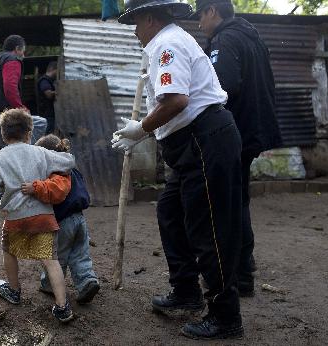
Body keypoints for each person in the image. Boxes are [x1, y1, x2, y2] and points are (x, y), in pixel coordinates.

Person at [113, 0, 244, 340]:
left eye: (137, 25)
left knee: (209, 228)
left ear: (151, 19)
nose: (135, 33)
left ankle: (225, 315)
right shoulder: (168, 41)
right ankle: (186, 290)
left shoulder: (166, 44)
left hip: (203, 139)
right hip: (194, 143)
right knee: (171, 211)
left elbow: (176, 100)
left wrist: (139, 129)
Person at [193, 0, 283, 297]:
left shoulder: (225, 38)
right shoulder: (251, 35)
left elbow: (222, 87)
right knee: (239, 198)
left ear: (212, 11)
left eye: (201, 16)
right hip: (255, 128)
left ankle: (240, 273)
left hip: (236, 130)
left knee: (229, 203)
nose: (199, 24)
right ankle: (244, 268)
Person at [0, 108, 75, 323]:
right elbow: (69, 162)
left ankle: (14, 290)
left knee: (9, 251)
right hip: (42, 217)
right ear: (29, 132)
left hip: (14, 218)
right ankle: (62, 307)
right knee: (51, 260)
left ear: (4, 134)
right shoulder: (40, 153)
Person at [21, 134, 100, 304]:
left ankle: (49, 284)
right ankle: (87, 281)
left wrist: (35, 187)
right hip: (80, 220)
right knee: (80, 254)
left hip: (63, 223)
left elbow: (55, 191)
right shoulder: (72, 169)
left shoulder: (57, 173)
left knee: (57, 256)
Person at [37, 61, 57, 134]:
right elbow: (48, 94)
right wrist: (61, 92)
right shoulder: (44, 80)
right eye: (58, 70)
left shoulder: (51, 80)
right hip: (47, 115)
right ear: (52, 69)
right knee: (48, 135)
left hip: (50, 114)